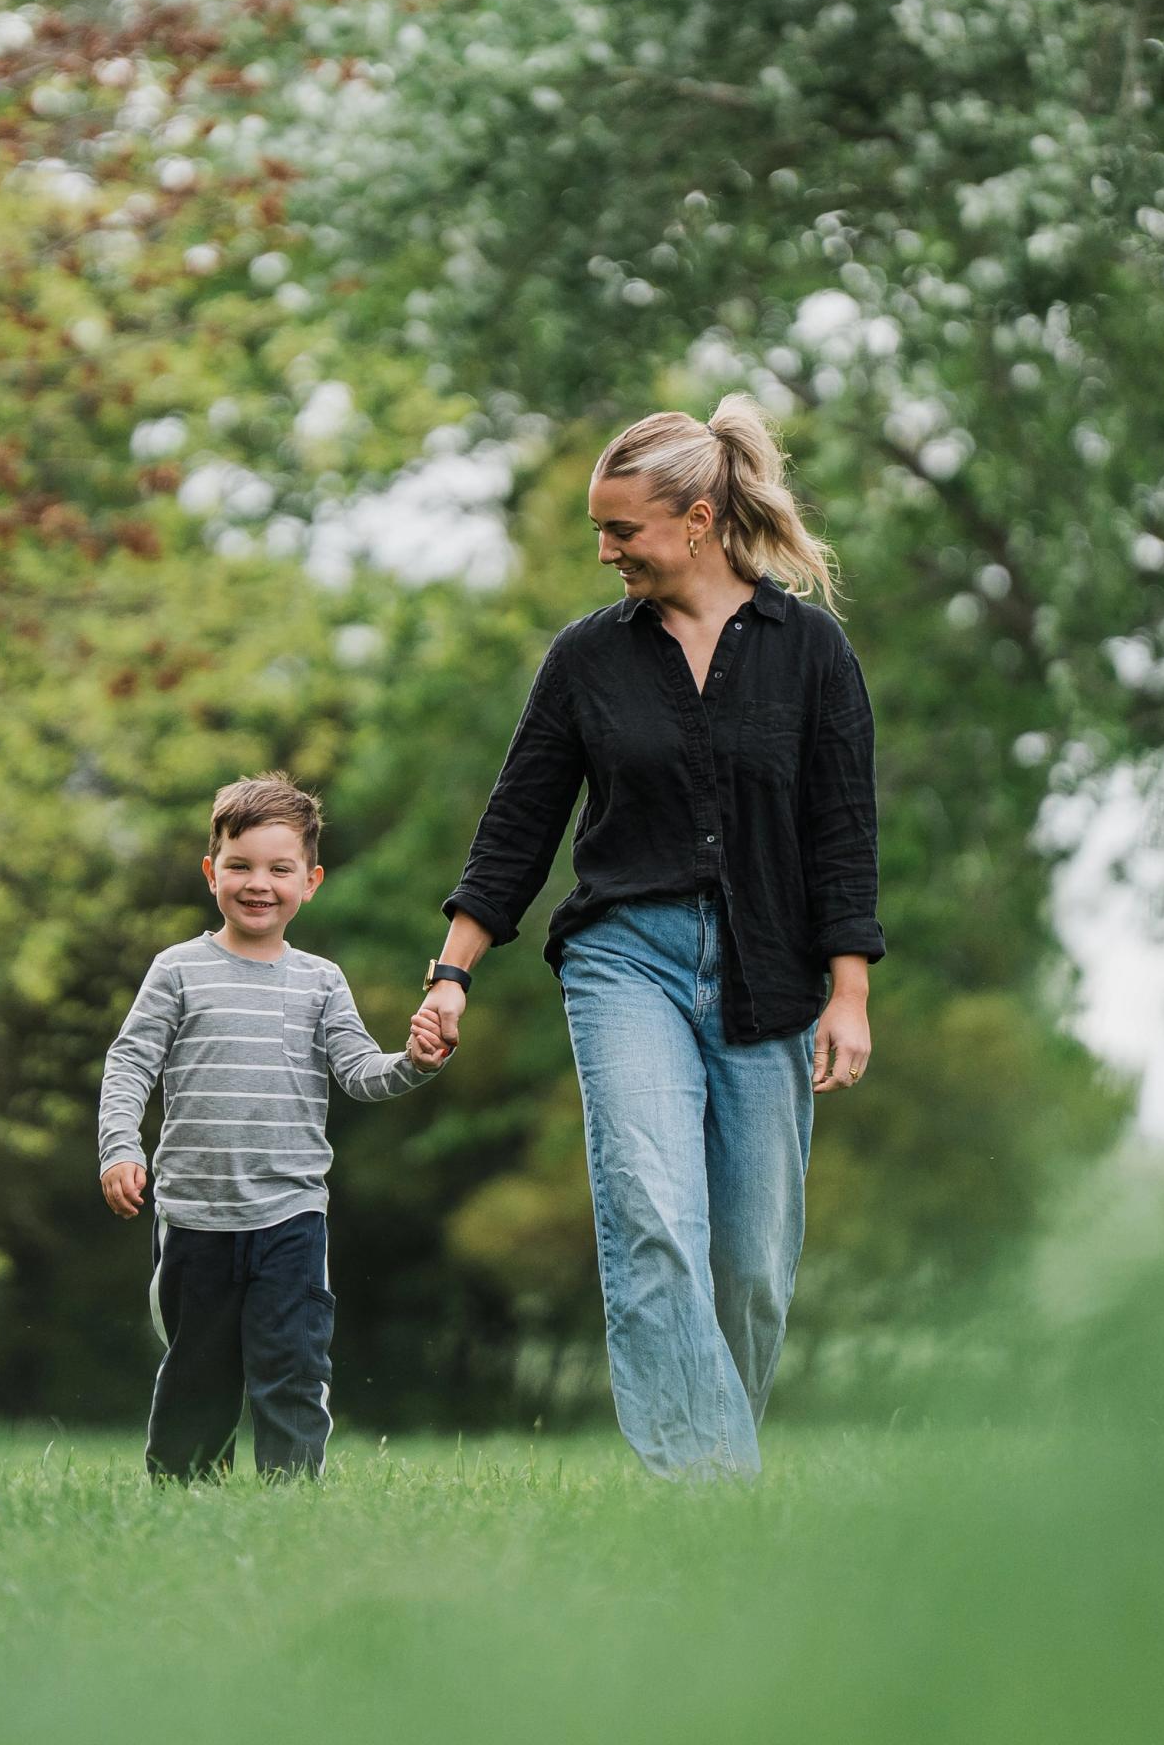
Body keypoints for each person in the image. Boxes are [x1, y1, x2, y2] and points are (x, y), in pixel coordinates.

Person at [414, 397, 880, 1479]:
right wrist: (452, 974)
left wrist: (849, 990)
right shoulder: (587, 658)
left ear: (701, 519)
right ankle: (713, 1488)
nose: (606, 550)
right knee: (653, 1221)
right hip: (626, 958)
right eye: (600, 531)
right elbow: (518, 826)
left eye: (622, 529)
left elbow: (843, 832)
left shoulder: (811, 651)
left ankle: (715, 1458)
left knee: (755, 1264)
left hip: (771, 972)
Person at [97, 772, 450, 1481]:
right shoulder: (178, 971)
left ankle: (290, 1498)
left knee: (291, 1361)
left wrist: (415, 1062)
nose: (259, 883)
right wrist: (119, 1148)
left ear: (310, 881)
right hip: (196, 1214)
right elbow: (130, 1062)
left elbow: (357, 1071)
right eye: (241, 866)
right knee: (199, 1371)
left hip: (290, 1214)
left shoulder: (320, 981)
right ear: (211, 872)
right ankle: (185, 1499)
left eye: (279, 869)